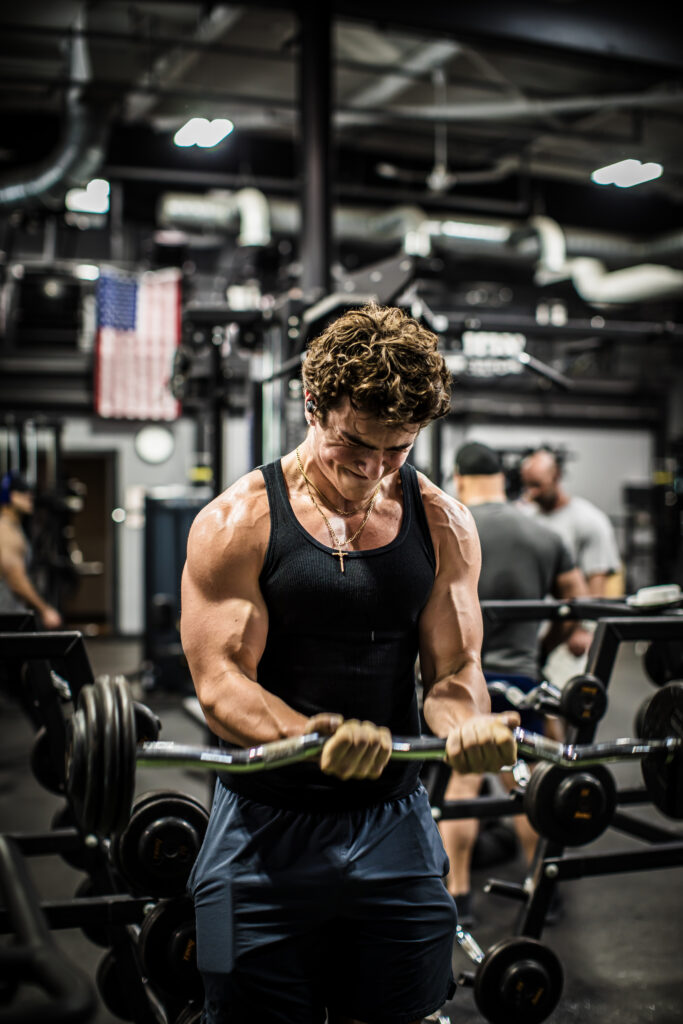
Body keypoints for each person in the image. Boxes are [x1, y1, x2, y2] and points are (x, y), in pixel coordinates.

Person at [180, 303, 520, 1024]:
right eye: (353, 447)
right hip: (261, 824)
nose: (371, 471)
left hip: (393, 819)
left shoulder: (442, 524)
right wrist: (314, 737)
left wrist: (465, 727)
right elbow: (220, 685)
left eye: (396, 451)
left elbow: (454, 670)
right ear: (311, 407)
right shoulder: (235, 523)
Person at [438, 441, 587, 926]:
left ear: (460, 478)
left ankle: (458, 897)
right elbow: (576, 603)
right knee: (525, 783)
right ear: (503, 480)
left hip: (466, 679)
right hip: (522, 678)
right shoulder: (543, 534)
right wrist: (543, 649)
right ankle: (543, 888)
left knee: (461, 782)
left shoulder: (446, 530)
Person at [519, 447, 622, 680]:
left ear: (556, 478)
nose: (530, 493)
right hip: (535, 631)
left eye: (537, 484)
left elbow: (598, 579)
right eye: (527, 485)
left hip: (571, 630)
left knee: (569, 705)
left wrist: (585, 630)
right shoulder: (527, 519)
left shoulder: (589, 521)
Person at [0, 469, 62, 628]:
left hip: (11, 613)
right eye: (25, 494)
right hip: (6, 617)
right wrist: (45, 609)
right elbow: (16, 579)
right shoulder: (5, 532)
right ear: (12, 496)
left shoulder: (14, 528)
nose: (30, 498)